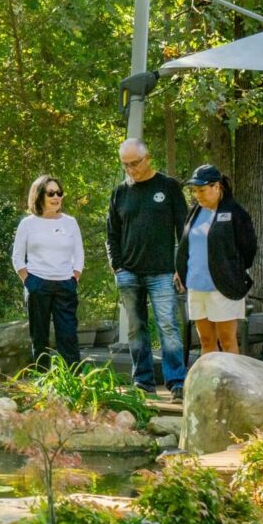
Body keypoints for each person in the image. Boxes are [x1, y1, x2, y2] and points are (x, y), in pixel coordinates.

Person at [106, 139, 188, 401]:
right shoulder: (120, 192)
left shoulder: (168, 186)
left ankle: (176, 382)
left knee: (168, 326)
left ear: (148, 157)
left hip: (163, 271)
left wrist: (180, 266)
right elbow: (112, 234)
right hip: (128, 272)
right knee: (135, 328)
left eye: (135, 163)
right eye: (126, 165)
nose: (131, 169)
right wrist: (117, 266)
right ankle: (143, 382)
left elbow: (183, 230)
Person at [175, 164, 257, 355]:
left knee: (227, 341)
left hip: (224, 287)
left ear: (217, 187)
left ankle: (231, 384)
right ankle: (210, 384)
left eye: (202, 190)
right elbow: (187, 245)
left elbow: (248, 249)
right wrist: (181, 270)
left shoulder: (235, 212)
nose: (198, 195)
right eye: (195, 191)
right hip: (196, 286)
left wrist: (230, 270)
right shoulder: (195, 212)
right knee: (205, 340)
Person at [12, 174, 84, 368]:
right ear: (39, 195)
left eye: (59, 193)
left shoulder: (70, 223)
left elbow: (79, 255)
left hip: (65, 286)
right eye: (51, 193)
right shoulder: (27, 224)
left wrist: (74, 278)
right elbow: (17, 257)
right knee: (40, 337)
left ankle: (73, 380)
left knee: (68, 335)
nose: (56, 197)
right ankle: (43, 381)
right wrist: (29, 282)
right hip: (38, 285)